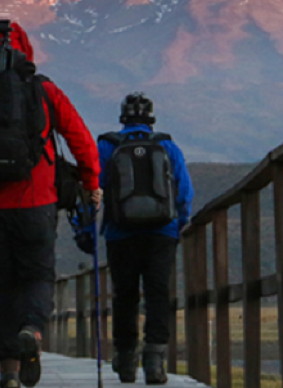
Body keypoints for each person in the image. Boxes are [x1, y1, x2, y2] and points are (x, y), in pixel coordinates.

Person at [0, 20, 101, 388]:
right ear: (26, 49)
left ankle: (9, 370)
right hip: (38, 202)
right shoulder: (43, 90)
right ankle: (33, 328)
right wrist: (91, 184)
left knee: (2, 286)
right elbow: (81, 140)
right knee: (38, 276)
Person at [98, 92, 193, 385]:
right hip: (161, 233)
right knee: (158, 294)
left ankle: (126, 361)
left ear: (123, 118)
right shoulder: (166, 145)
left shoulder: (107, 146)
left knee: (124, 295)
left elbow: (92, 188)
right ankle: (155, 362)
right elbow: (184, 191)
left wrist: (87, 232)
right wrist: (179, 223)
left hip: (120, 233)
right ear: (151, 119)